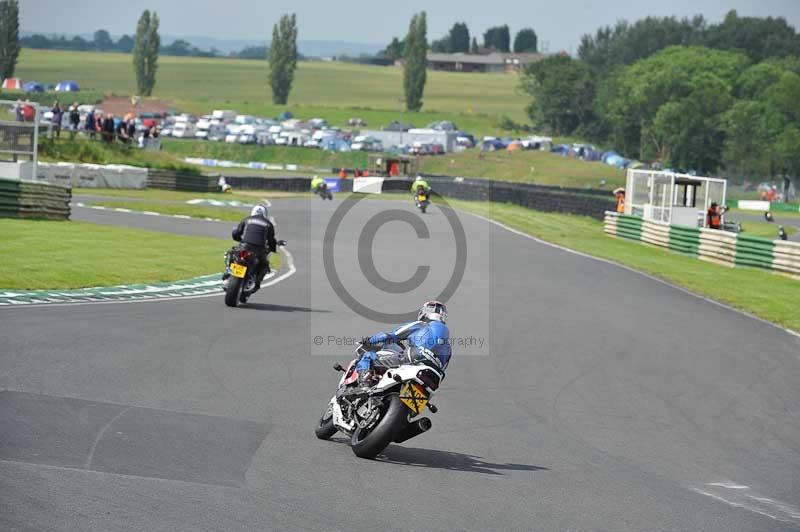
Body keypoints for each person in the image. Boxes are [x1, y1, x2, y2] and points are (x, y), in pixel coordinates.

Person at [354, 300, 451, 390]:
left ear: (424, 312)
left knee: (368, 356)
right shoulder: (448, 348)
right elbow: (443, 368)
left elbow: (389, 336)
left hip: (412, 360)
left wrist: (369, 340)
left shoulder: (420, 325)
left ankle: (364, 385)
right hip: (432, 377)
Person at [231, 205, 277, 291]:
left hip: (244, 246)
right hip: (258, 249)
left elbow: (236, 233)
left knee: (232, 253)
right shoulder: (268, 224)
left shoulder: (246, 219)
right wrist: (273, 248)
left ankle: (228, 272)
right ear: (265, 214)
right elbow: (271, 240)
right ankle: (257, 283)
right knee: (264, 265)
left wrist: (239, 239)